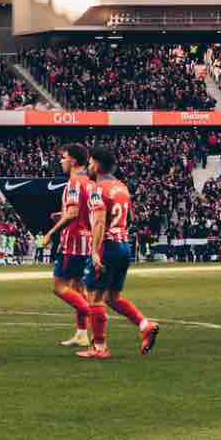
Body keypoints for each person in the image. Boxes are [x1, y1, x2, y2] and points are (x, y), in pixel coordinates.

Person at [77, 148, 159, 360]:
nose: (88, 168)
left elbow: (100, 221)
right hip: (123, 245)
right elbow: (128, 218)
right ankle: (145, 325)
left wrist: (95, 252)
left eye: (89, 163)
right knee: (113, 297)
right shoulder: (122, 188)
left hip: (107, 245)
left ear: (95, 164)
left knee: (94, 297)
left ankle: (100, 347)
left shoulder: (97, 189)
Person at [41, 143, 93, 349]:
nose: (61, 161)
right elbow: (81, 212)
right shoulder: (89, 182)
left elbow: (72, 214)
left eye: (63, 157)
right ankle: (82, 334)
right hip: (86, 240)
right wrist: (60, 215)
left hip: (73, 243)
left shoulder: (73, 183)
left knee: (59, 286)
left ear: (72, 160)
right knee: (78, 287)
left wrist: (51, 232)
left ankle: (92, 311)